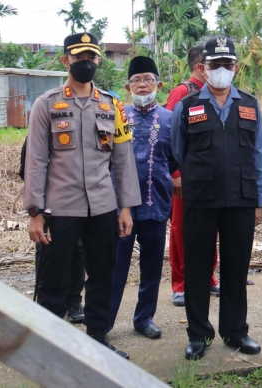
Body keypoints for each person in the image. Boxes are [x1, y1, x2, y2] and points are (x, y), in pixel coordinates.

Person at [24, 32, 141, 359]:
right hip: (60, 209)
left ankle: (98, 339)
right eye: (79, 58)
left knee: (102, 275)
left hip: (103, 207)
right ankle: (49, 349)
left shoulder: (111, 104)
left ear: (98, 61)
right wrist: (35, 211)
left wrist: (126, 208)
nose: (85, 64)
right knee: (53, 281)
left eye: (91, 58)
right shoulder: (46, 104)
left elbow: (122, 158)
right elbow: (36, 160)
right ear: (66, 61)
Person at [171, 36, 262, 360]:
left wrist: (259, 200)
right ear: (203, 68)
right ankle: (198, 335)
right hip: (200, 199)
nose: (222, 70)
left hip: (240, 199)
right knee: (198, 270)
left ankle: (235, 331)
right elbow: (177, 150)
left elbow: (259, 156)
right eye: (215, 65)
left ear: (236, 68)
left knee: (236, 269)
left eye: (228, 64)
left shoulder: (251, 105)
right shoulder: (187, 105)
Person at [108, 56, 177, 339]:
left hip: (156, 204)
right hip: (120, 208)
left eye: (148, 79)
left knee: (151, 267)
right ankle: (104, 322)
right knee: (115, 268)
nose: (142, 84)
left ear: (158, 84)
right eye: (136, 80)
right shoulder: (116, 116)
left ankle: (144, 318)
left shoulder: (171, 120)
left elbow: (176, 161)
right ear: (127, 87)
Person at [165, 45, 219, 307]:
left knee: (208, 230)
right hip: (185, 179)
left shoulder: (215, 93)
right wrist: (176, 173)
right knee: (181, 231)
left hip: (210, 179)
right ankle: (181, 284)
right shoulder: (183, 92)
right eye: (214, 64)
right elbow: (170, 135)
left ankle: (207, 278)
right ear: (201, 67)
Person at [19, 137, 86, 323]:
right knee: (47, 253)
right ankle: (45, 305)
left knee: (77, 251)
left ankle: (74, 300)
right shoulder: (35, 137)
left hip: (76, 202)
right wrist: (37, 209)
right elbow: (28, 173)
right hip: (47, 206)